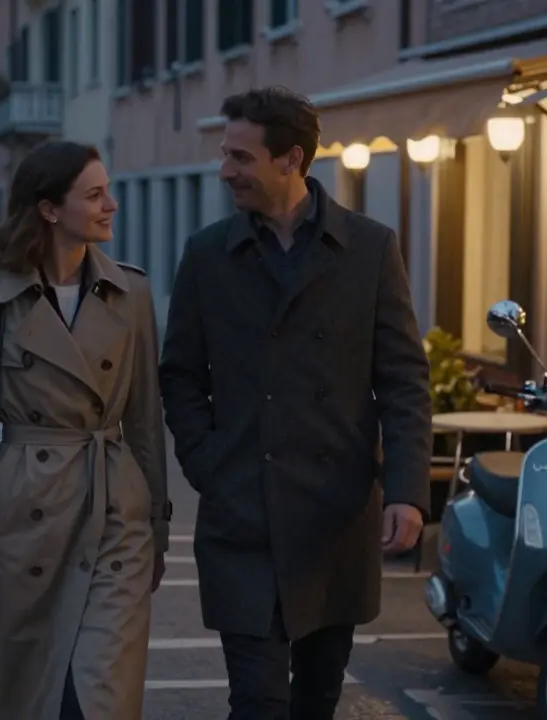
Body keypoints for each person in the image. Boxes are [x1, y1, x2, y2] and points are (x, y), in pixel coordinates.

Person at [159, 87, 432, 719]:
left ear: (292, 160)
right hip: (241, 514)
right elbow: (179, 374)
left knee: (316, 700)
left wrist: (407, 490)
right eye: (225, 155)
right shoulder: (207, 255)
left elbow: (402, 380)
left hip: (333, 520)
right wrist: (209, 462)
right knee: (257, 701)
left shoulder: (370, 249)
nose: (225, 170)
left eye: (241, 157)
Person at [0, 140, 171, 720]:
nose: (111, 204)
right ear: (49, 209)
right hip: (20, 522)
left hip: (114, 514)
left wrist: (156, 527)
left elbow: (144, 422)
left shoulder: (131, 293)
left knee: (99, 698)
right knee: (25, 695)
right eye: (95, 194)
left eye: (108, 190)